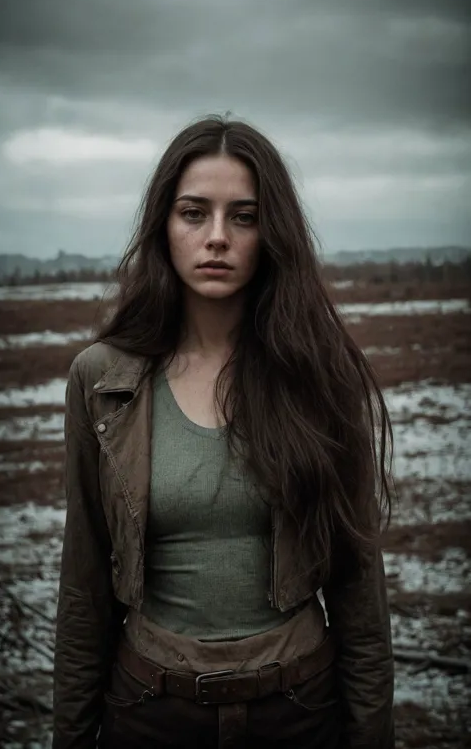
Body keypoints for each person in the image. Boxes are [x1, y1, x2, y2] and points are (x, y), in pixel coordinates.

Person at [52, 115, 395, 749]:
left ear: (272, 232)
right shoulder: (101, 381)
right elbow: (84, 587)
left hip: (298, 711)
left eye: (243, 216)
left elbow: (358, 585)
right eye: (193, 213)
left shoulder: (319, 377)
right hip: (151, 712)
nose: (217, 237)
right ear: (164, 226)